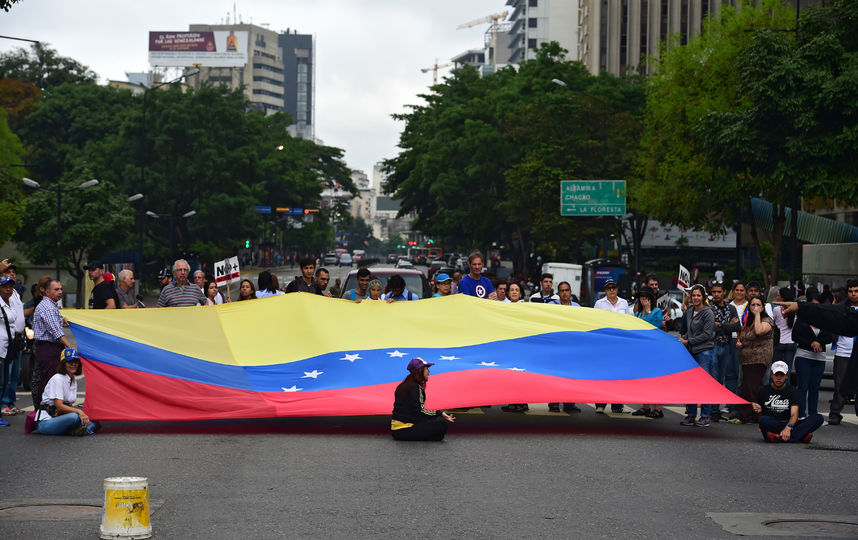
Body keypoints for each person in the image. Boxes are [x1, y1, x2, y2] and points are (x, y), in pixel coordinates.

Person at [753, 361, 823, 443]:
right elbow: (760, 417)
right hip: (773, 423)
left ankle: (779, 437)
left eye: (782, 375)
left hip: (789, 423)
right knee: (763, 420)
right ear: (771, 375)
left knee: (818, 418)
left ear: (786, 376)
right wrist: (758, 411)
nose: (778, 378)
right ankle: (799, 436)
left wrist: (788, 428)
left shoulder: (793, 391)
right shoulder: (762, 390)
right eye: (776, 375)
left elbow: (794, 414)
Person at [730, 296, 774, 424]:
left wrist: (757, 315)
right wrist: (739, 343)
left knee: (750, 388)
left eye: (758, 305)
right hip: (746, 359)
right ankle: (755, 415)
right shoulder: (748, 322)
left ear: (763, 307)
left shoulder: (767, 320)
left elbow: (759, 331)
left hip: (758, 359)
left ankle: (745, 415)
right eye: (753, 305)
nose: (755, 307)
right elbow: (744, 337)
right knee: (747, 387)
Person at [35, 348, 98, 436]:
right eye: (70, 362)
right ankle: (79, 430)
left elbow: (68, 404)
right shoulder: (58, 378)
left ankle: (80, 429)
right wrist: (80, 412)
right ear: (63, 364)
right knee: (75, 417)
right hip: (46, 422)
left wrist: (83, 415)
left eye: (76, 362)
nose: (73, 364)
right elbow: (59, 406)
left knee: (94, 421)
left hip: (60, 418)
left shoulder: (72, 379)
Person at [678, 284, 716, 426]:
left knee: (705, 384)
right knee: (691, 384)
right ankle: (691, 414)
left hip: (704, 351)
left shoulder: (708, 312)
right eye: (693, 295)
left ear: (703, 297)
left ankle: (705, 415)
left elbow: (707, 334)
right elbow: (689, 331)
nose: (695, 298)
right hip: (691, 351)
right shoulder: (689, 312)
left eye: (698, 295)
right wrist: (682, 339)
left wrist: (689, 341)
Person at [791, 287, 832, 420]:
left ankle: (813, 415)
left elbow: (829, 338)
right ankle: (801, 415)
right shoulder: (802, 318)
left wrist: (819, 342)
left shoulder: (825, 319)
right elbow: (795, 336)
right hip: (803, 356)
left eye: (817, 305)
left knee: (815, 388)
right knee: (802, 386)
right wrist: (811, 343)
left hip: (819, 358)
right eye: (812, 305)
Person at [391, 357, 455, 441]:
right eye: (427, 369)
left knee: (430, 425)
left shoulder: (402, 385)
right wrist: (440, 414)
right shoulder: (416, 387)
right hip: (405, 430)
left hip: (395, 430)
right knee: (442, 426)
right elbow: (420, 411)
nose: (429, 371)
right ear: (420, 370)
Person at [32, 279, 73, 409]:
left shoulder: (51, 305)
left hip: (51, 348)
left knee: (50, 378)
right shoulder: (47, 307)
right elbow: (56, 332)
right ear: (47, 291)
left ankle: (51, 409)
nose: (60, 292)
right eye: (56, 289)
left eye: (61, 289)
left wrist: (63, 320)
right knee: (48, 380)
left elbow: (55, 323)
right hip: (47, 348)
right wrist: (70, 347)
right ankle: (42, 411)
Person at [593, 279, 630, 414]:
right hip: (604, 344)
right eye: (608, 288)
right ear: (605, 290)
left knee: (618, 375)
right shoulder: (599, 303)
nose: (611, 290)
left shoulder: (624, 303)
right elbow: (594, 323)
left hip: (620, 344)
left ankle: (617, 405)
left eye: (613, 287)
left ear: (617, 289)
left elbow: (628, 322)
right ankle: (600, 404)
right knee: (603, 374)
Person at [630, 288, 664, 418]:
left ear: (651, 299)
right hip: (641, 350)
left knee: (654, 380)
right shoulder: (638, 314)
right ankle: (645, 406)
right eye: (641, 297)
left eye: (646, 297)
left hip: (653, 350)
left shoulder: (656, 311)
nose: (643, 299)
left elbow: (655, 327)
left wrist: (649, 310)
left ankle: (658, 408)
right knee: (643, 380)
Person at [829, 279, 858, 425]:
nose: (853, 294)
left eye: (856, 291)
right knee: (840, 384)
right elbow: (833, 327)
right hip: (843, 352)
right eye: (851, 291)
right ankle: (835, 413)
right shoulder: (841, 308)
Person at [709, 282, 739, 422]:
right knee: (713, 379)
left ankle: (716, 408)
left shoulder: (731, 308)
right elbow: (710, 327)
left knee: (721, 379)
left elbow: (737, 326)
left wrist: (720, 325)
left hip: (727, 346)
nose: (716, 294)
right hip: (713, 345)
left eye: (718, 292)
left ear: (724, 292)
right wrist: (728, 325)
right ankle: (713, 409)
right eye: (714, 292)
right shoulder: (708, 307)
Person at [1, 263, 26, 417]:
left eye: (13, 272)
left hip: (16, 338)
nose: (11, 274)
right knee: (6, 375)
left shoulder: (14, 293)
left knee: (15, 375)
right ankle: (3, 402)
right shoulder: (1, 294)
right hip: (4, 342)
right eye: (7, 271)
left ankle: (10, 401)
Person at [724, 281, 749, 417]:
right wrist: (730, 325)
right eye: (737, 290)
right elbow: (722, 325)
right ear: (733, 291)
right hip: (729, 341)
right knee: (729, 375)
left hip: (744, 342)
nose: (739, 292)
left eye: (742, 290)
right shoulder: (728, 306)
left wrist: (733, 325)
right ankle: (729, 404)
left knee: (741, 375)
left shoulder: (750, 306)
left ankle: (739, 405)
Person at [0, 276, 20, 420]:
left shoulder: (11, 302)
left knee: (5, 381)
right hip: (0, 349)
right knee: (0, 383)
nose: (8, 289)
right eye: (5, 286)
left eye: (10, 286)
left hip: (9, 349)